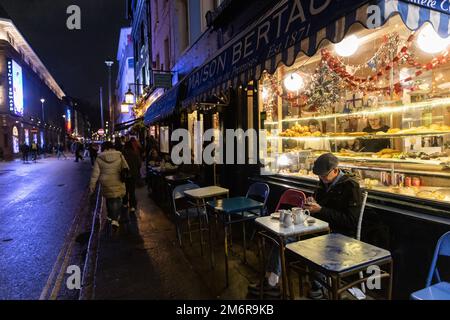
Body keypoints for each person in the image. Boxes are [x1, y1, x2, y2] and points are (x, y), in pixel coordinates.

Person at [89, 141, 130, 233]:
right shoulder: (119, 155)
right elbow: (126, 167)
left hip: (106, 181)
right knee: (117, 199)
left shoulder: (99, 158)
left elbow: (95, 174)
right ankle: (115, 219)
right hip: (117, 180)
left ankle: (110, 216)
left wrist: (92, 186)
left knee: (109, 199)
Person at [122, 138, 142, 215]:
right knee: (132, 191)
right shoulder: (134, 154)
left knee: (125, 190)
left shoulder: (122, 154)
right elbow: (139, 164)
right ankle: (132, 206)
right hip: (133, 175)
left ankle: (125, 203)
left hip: (125, 175)